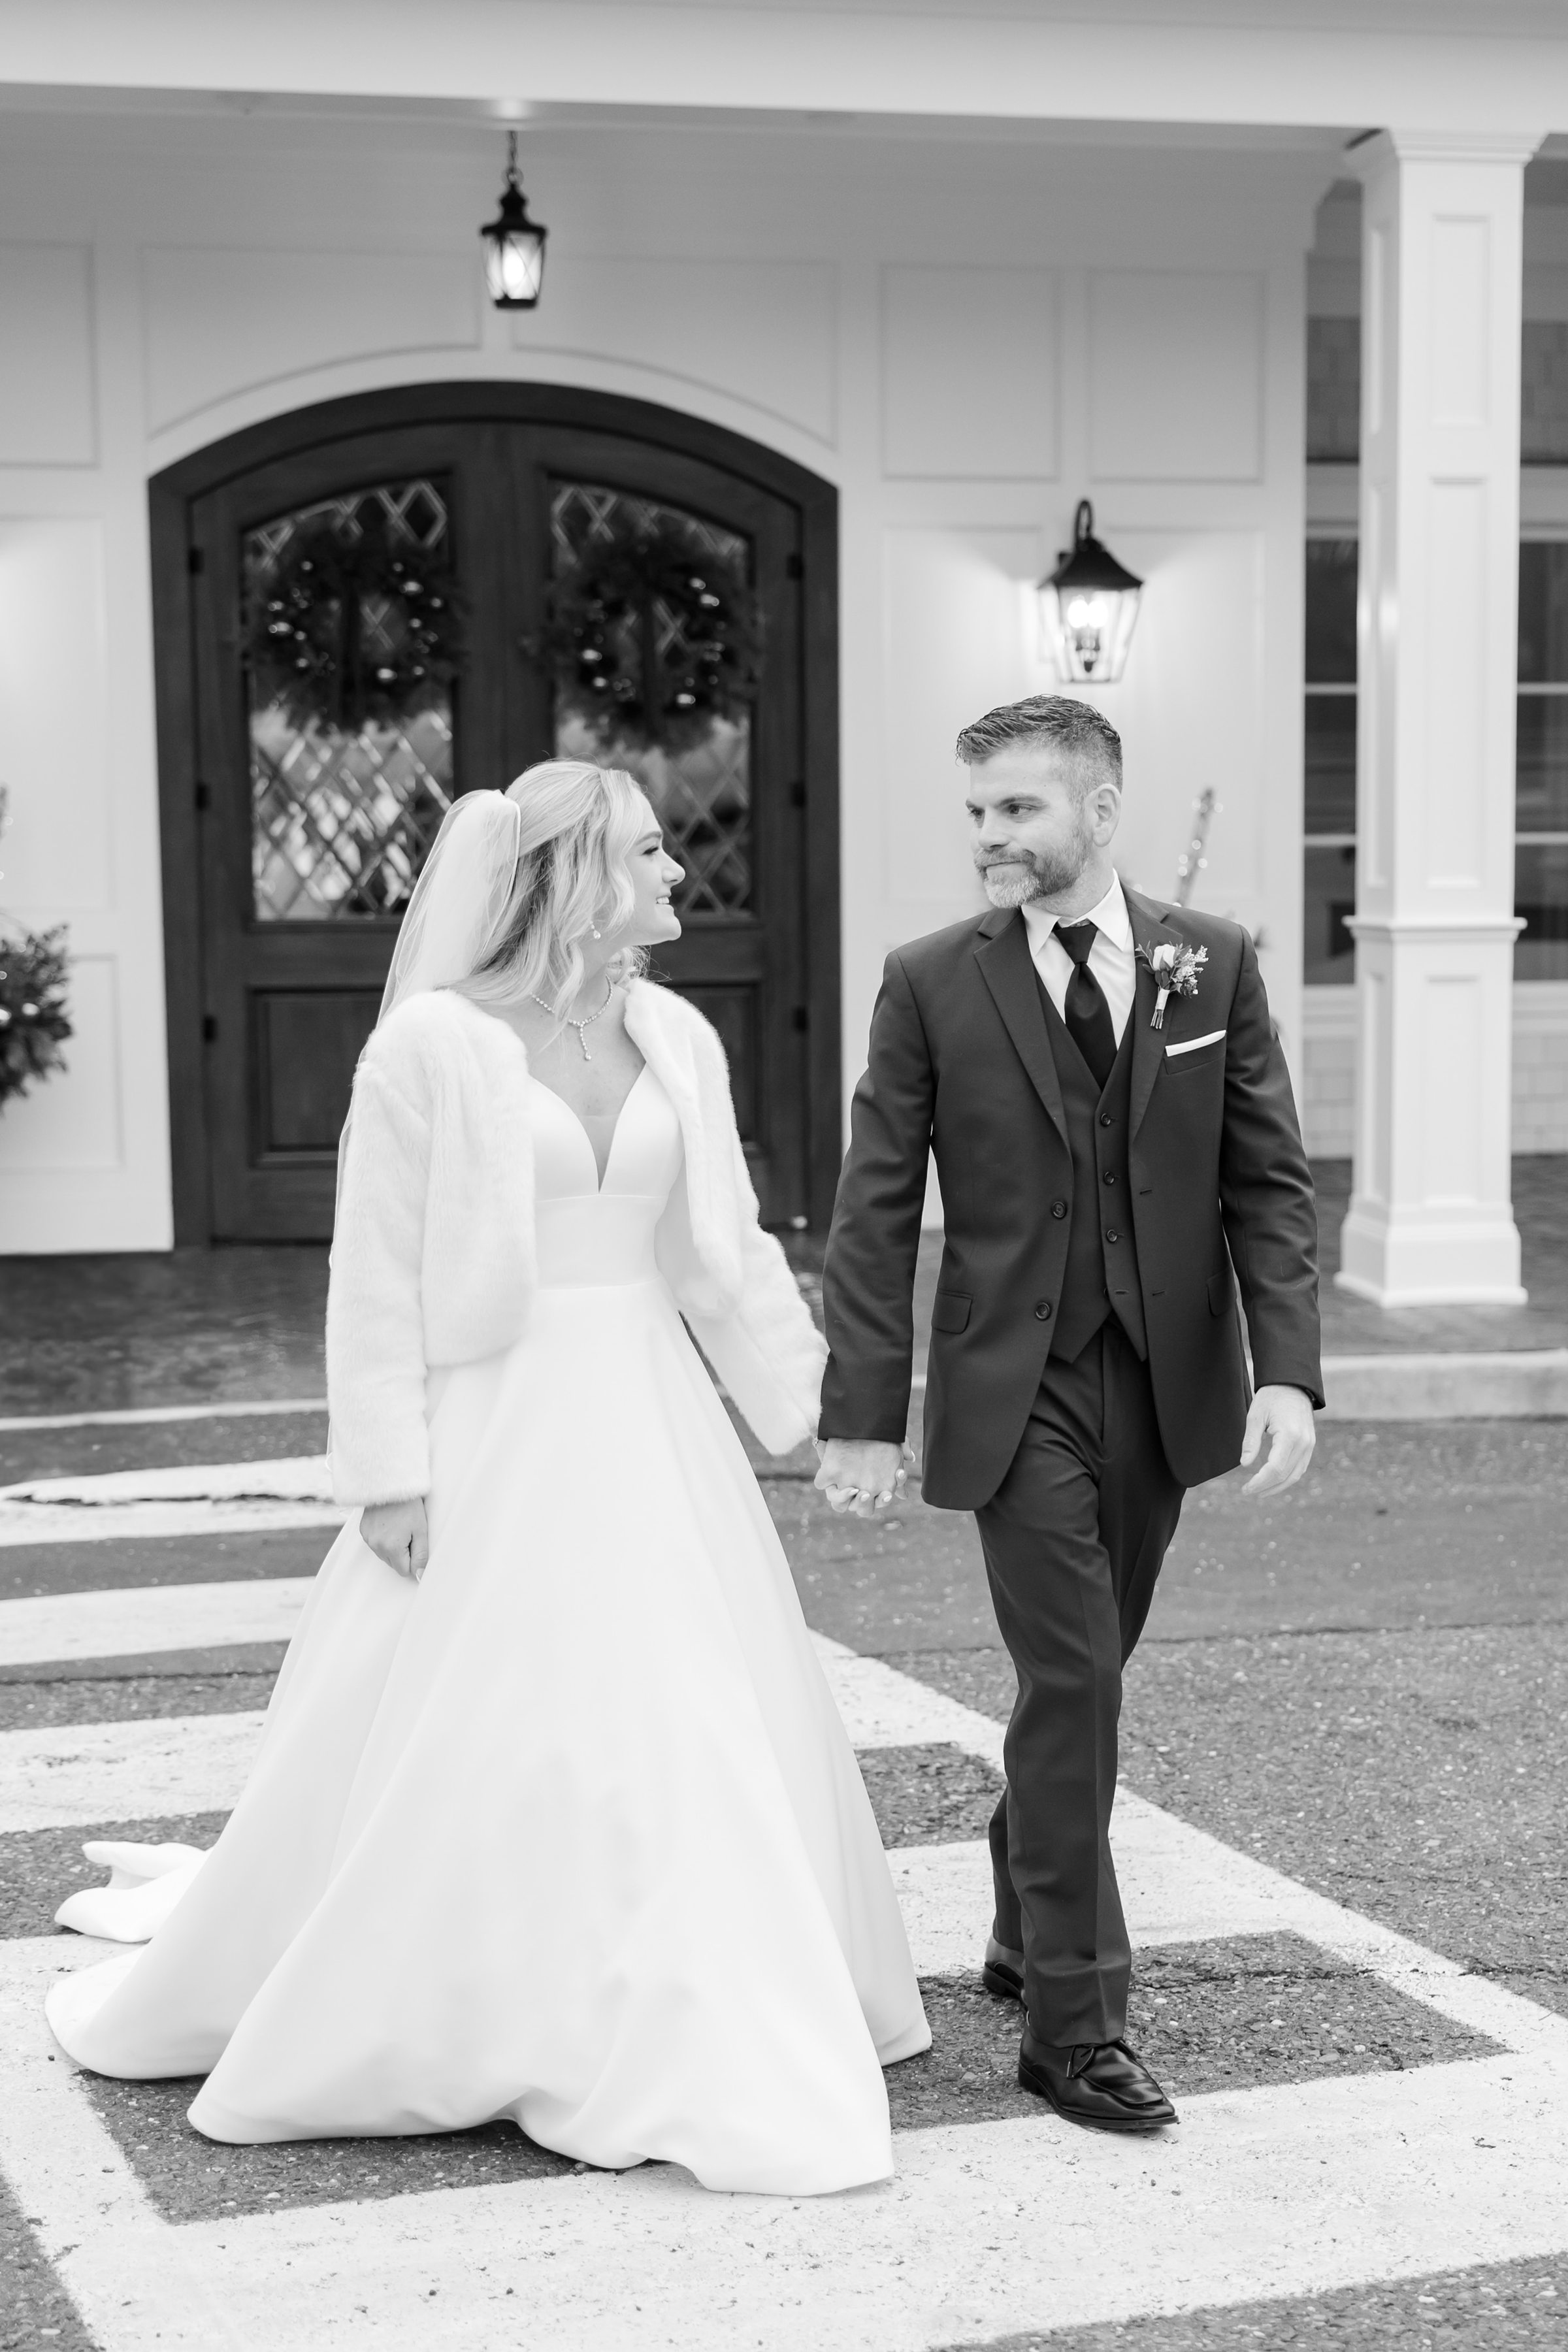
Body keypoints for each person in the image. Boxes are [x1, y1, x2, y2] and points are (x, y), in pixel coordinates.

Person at [48, 760, 929, 2196]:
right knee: (473, 1711)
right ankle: (454, 1990)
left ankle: (679, 1990)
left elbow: (723, 1252)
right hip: (493, 1420)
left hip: (648, 1414)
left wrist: (825, 1415)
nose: (677, 875)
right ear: (581, 876)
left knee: (685, 1707)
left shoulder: (677, 1036)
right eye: (651, 853)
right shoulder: (433, 1049)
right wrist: (386, 1475)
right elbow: (374, 1277)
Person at [815, 696, 1321, 2134]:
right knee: (1079, 1683)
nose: (991, 836)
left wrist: (1286, 1366)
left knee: (1078, 1684)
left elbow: (1265, 1182)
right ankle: (1074, 2027)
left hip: (1166, 1385)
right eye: (978, 811)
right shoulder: (928, 981)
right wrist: (862, 1409)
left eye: (1021, 810)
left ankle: (1018, 1920)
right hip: (1008, 1390)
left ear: (1099, 812)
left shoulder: (1207, 964)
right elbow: (873, 1207)